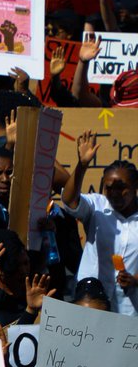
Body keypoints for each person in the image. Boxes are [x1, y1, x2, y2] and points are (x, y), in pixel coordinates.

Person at [63, 131, 138, 316]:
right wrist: (81, 165)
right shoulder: (97, 205)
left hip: (130, 307)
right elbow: (69, 200)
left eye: (121, 187)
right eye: (108, 187)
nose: (113, 193)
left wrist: (135, 280)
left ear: (135, 187)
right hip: (92, 303)